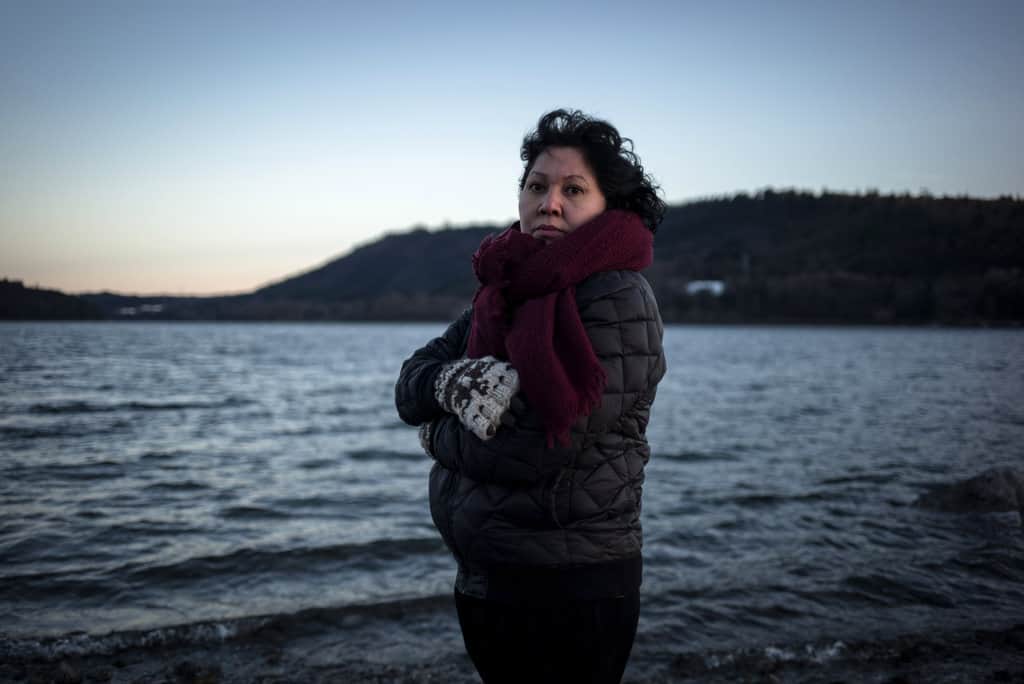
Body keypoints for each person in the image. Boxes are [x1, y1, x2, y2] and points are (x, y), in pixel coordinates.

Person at [394, 109, 667, 684]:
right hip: (488, 576)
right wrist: (452, 387)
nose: (550, 203)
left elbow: (530, 444)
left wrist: (434, 432)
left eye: (574, 189)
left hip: (572, 588)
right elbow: (412, 380)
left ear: (606, 205)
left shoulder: (618, 296)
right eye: (537, 186)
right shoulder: (505, 289)